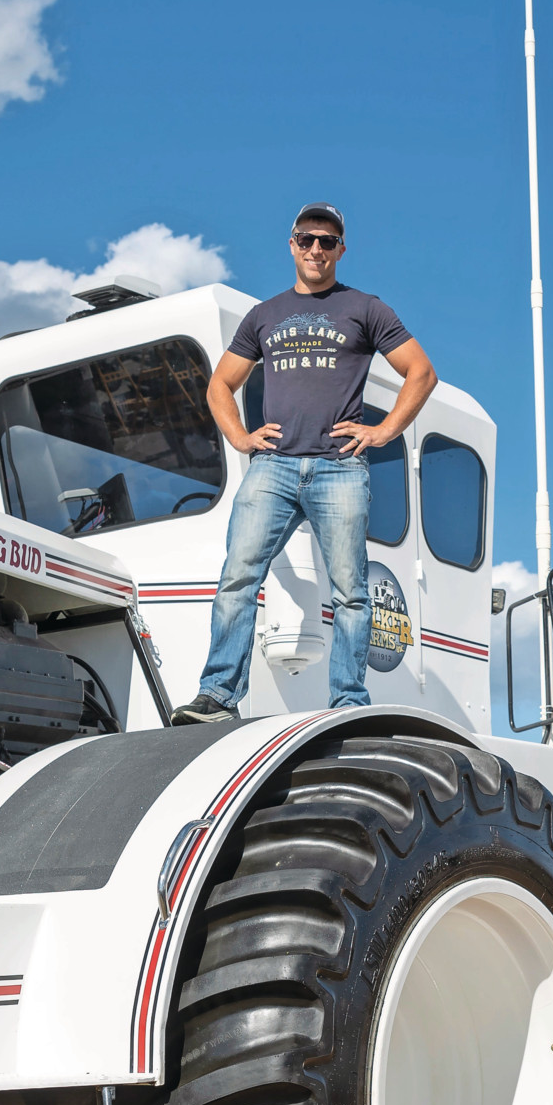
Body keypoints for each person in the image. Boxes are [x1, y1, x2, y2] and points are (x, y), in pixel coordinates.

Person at [169, 205, 436, 724]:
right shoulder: (263, 315)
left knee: (352, 594)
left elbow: (420, 373)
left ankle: (348, 702)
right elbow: (219, 385)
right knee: (238, 578)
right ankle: (218, 697)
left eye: (327, 241)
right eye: (306, 239)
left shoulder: (366, 308)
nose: (316, 248)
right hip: (273, 468)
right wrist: (241, 438)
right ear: (291, 245)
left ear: (341, 249)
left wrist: (383, 432)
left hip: (339, 468)